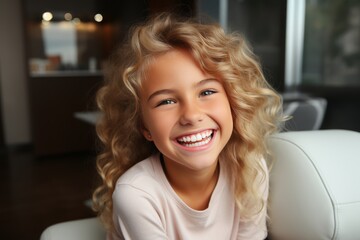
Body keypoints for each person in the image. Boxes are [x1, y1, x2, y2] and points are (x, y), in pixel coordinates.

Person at [92, 13, 283, 240]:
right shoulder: (136, 194)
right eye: (166, 101)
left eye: (207, 92)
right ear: (144, 127)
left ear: (233, 103)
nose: (191, 115)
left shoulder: (250, 167)